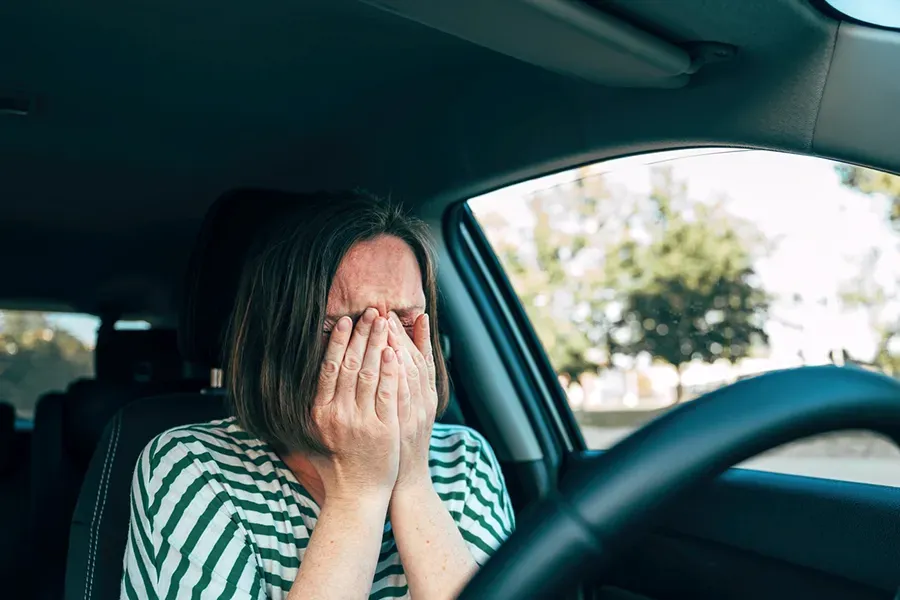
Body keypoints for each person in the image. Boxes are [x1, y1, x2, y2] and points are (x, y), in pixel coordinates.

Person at [120, 192, 515, 599]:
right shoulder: (194, 466)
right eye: (345, 327)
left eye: (404, 322)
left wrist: (412, 481)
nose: (384, 351)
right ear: (279, 340)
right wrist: (357, 493)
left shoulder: (465, 462)